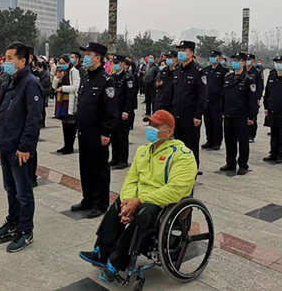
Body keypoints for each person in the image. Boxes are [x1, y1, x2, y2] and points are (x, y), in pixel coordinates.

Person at [78, 110, 197, 284]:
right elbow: (131, 179)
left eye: (157, 126)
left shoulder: (182, 155)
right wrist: (127, 201)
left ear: (170, 131)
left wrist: (139, 201)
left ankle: (117, 261)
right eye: (150, 124)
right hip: (138, 197)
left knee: (144, 211)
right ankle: (102, 251)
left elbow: (175, 190)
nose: (151, 129)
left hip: (162, 203)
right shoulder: (143, 151)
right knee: (118, 203)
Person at [0, 42, 43, 253]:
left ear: (23, 61)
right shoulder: (9, 81)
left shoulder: (30, 83)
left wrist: (26, 147)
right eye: (5, 57)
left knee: (23, 192)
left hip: (20, 149)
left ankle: (25, 230)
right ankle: (12, 222)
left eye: (10, 58)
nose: (6, 62)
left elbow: (34, 119)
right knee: (10, 188)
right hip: (7, 145)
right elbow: (2, 113)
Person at [71, 42, 118, 219]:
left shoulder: (106, 80)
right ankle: (88, 199)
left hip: (98, 134)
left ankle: (100, 203)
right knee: (85, 167)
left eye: (89, 55)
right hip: (84, 132)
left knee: (99, 169)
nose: (86, 58)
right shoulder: (85, 78)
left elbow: (111, 110)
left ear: (98, 58)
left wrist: (106, 132)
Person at [220, 53, 258, 175]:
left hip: (241, 116)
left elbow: (252, 100)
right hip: (228, 114)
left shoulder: (249, 79)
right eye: (234, 60)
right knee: (229, 140)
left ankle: (243, 164)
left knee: (243, 142)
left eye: (238, 60)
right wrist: (222, 111)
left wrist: (251, 117)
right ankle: (230, 162)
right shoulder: (228, 77)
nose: (235, 62)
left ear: (243, 62)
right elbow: (223, 96)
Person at [171, 41, 207, 170]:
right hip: (177, 115)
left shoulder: (198, 71)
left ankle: (192, 170)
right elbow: (172, 94)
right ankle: (180, 169)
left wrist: (198, 115)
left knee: (191, 145)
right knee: (178, 144)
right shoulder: (177, 71)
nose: (180, 52)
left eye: (184, 50)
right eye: (179, 50)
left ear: (191, 53)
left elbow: (202, 96)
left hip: (191, 116)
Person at [109, 55, 135, 170]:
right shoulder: (113, 76)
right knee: (114, 135)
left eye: (118, 63)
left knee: (122, 136)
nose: (115, 65)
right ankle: (115, 158)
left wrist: (126, 111)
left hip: (123, 110)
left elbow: (130, 97)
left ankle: (123, 160)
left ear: (123, 64)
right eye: (114, 63)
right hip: (114, 111)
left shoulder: (128, 78)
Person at [53, 55, 80, 155]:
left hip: (70, 101)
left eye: (63, 63)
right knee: (64, 125)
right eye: (60, 63)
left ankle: (70, 146)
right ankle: (66, 145)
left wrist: (63, 88)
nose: (62, 65)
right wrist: (57, 78)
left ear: (68, 63)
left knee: (71, 126)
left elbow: (76, 87)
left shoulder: (74, 71)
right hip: (62, 101)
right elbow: (54, 87)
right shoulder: (60, 72)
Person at [202, 50, 229, 150]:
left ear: (219, 58)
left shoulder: (224, 71)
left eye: (214, 56)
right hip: (207, 99)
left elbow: (225, 87)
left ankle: (217, 142)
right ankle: (209, 140)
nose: (212, 58)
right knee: (208, 121)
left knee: (217, 122)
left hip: (217, 100)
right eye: (211, 56)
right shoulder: (206, 70)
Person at [245, 54, 264, 143]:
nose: (247, 61)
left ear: (253, 61)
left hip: (253, 97)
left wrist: (258, 98)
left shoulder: (257, 72)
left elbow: (260, 86)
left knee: (252, 116)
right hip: (243, 97)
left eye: (249, 59)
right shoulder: (242, 70)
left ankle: (251, 135)